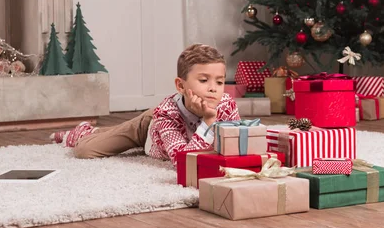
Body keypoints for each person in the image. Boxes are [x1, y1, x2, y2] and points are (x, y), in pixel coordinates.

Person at [50, 43, 241, 167]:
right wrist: (208, 122)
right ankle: (80, 132)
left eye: (219, 81)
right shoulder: (166, 114)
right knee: (85, 151)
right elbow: (184, 163)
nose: (213, 89)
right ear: (180, 85)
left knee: (111, 132)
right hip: (148, 127)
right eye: (204, 80)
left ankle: (98, 131)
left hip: (165, 129)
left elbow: (237, 146)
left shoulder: (226, 105)